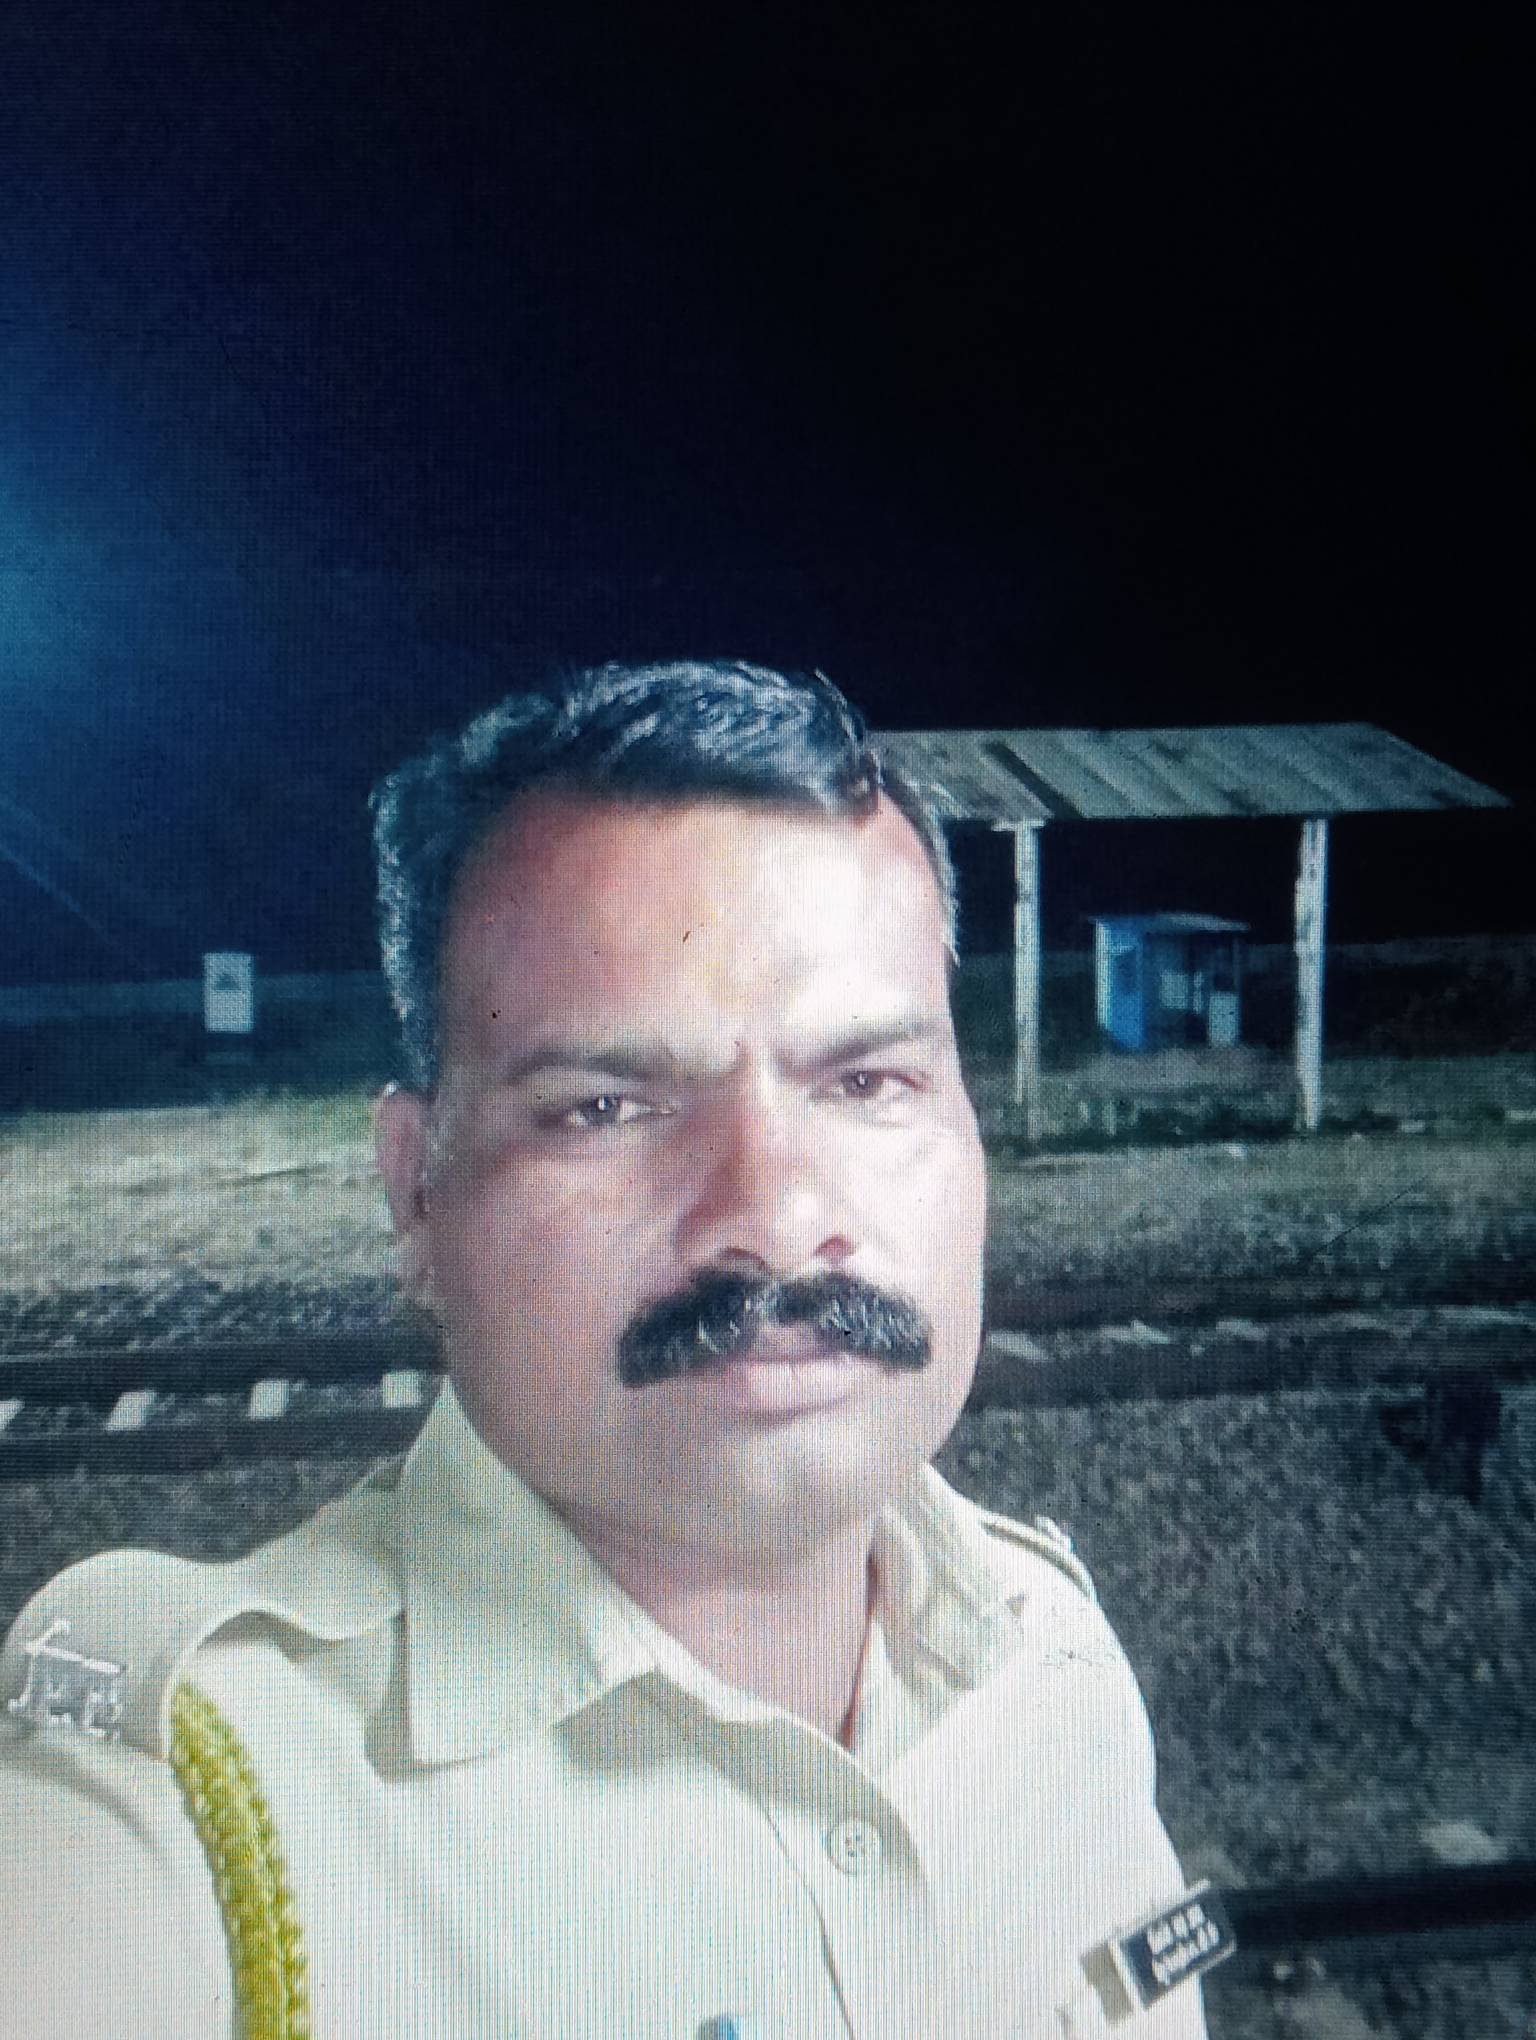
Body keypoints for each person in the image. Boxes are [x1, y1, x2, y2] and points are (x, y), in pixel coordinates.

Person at [1, 661, 1220, 2037]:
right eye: (606, 1108)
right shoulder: (174, 1817)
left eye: (867, 1082)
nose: (775, 1217)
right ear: (416, 1191)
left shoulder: (1051, 1661)